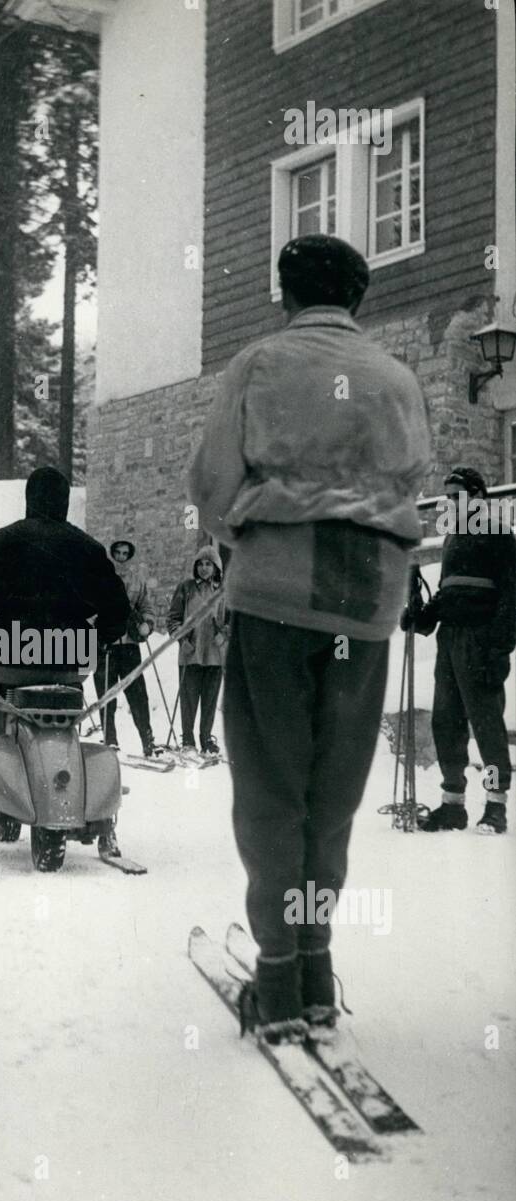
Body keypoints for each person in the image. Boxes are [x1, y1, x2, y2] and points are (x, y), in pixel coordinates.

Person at [189, 232, 431, 1044]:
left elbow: (210, 481)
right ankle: (318, 960)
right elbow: (412, 479)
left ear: (282, 292)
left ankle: (280, 978)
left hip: (276, 594)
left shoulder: (257, 365)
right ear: (357, 298)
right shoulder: (396, 378)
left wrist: (239, 545)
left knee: (270, 785)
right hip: (364, 603)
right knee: (332, 789)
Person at [0, 466, 130, 806]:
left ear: (29, 499)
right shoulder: (88, 548)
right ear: (65, 502)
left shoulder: (3, 540)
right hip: (71, 653)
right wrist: (95, 642)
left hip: (11, 649)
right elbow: (118, 611)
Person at [402, 466, 514, 834]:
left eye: (456, 495)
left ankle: (496, 807)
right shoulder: (453, 537)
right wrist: (420, 615)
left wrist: (499, 646)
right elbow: (450, 591)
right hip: (449, 639)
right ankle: (453, 806)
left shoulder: (498, 530)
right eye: (447, 497)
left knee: (486, 724)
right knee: (446, 721)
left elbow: (512, 595)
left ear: (478, 496)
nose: (449, 503)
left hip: (480, 639)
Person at [93, 539, 159, 758]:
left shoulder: (137, 581)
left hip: (129, 645)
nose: (121, 557)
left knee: (138, 693)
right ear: (111, 555)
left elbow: (146, 606)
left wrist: (147, 624)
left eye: (125, 554)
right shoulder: (100, 580)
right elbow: (89, 609)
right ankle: (110, 741)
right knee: (105, 694)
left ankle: (147, 741)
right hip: (106, 645)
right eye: (117, 553)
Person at [166, 545, 229, 757]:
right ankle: (188, 740)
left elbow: (233, 620)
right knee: (189, 698)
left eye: (208, 564)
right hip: (190, 652)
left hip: (215, 654)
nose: (204, 568)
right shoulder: (186, 588)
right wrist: (181, 638)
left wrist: (224, 635)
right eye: (200, 564)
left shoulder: (223, 591)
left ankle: (206, 740)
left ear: (216, 567)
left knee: (210, 701)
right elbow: (173, 619)